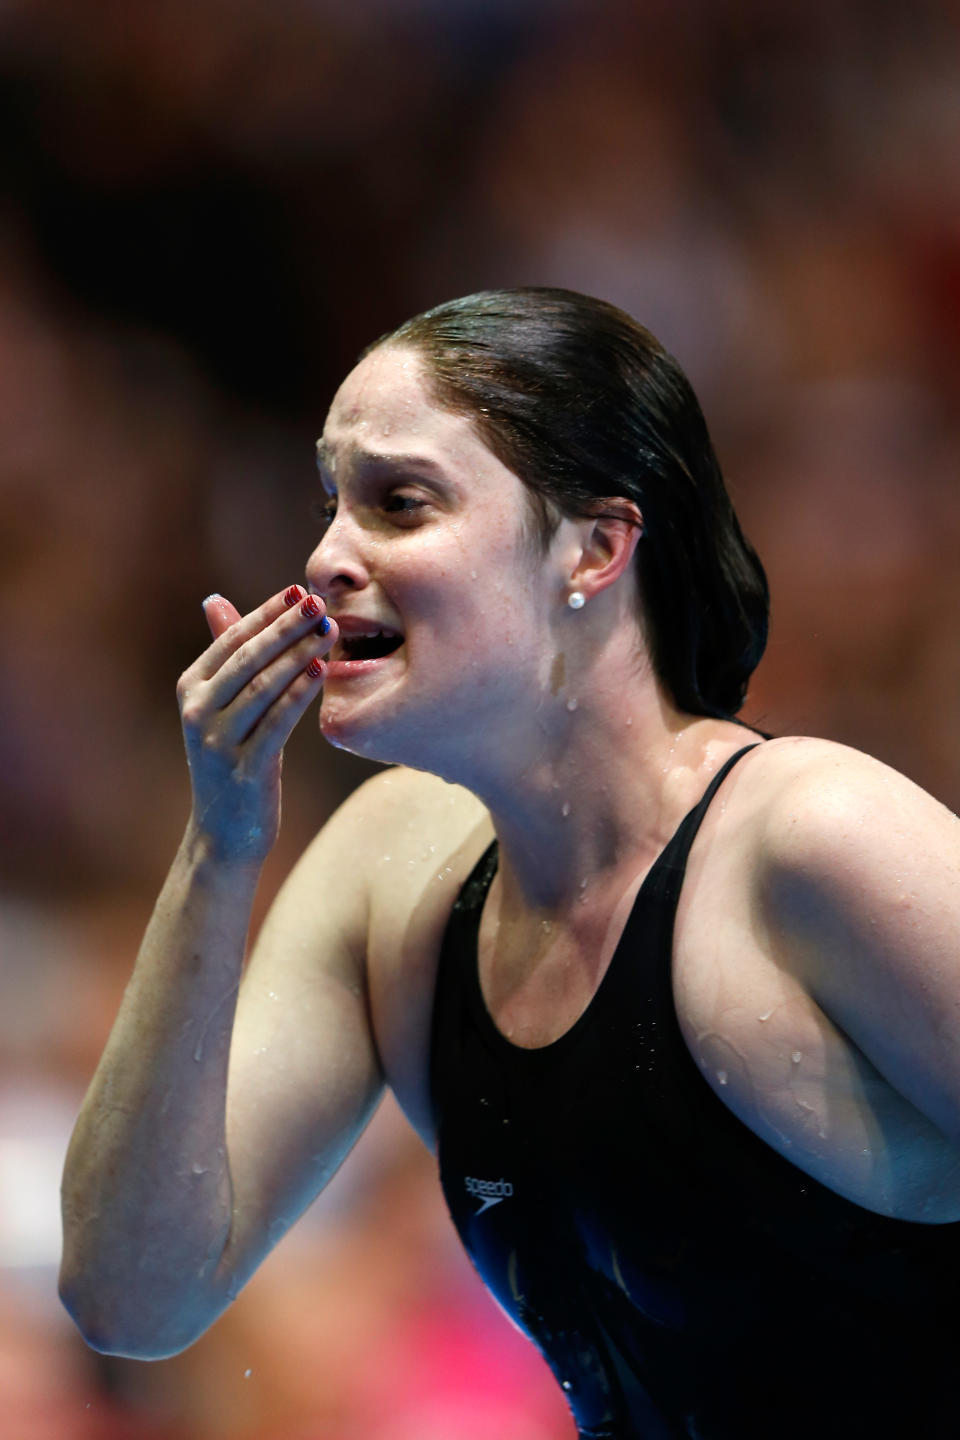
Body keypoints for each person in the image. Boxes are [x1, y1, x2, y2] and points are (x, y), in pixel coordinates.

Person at [60, 288, 960, 1439]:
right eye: (331, 501)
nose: (328, 556)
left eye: (399, 502)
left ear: (594, 546)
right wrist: (218, 849)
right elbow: (130, 1297)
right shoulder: (393, 881)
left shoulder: (813, 843)